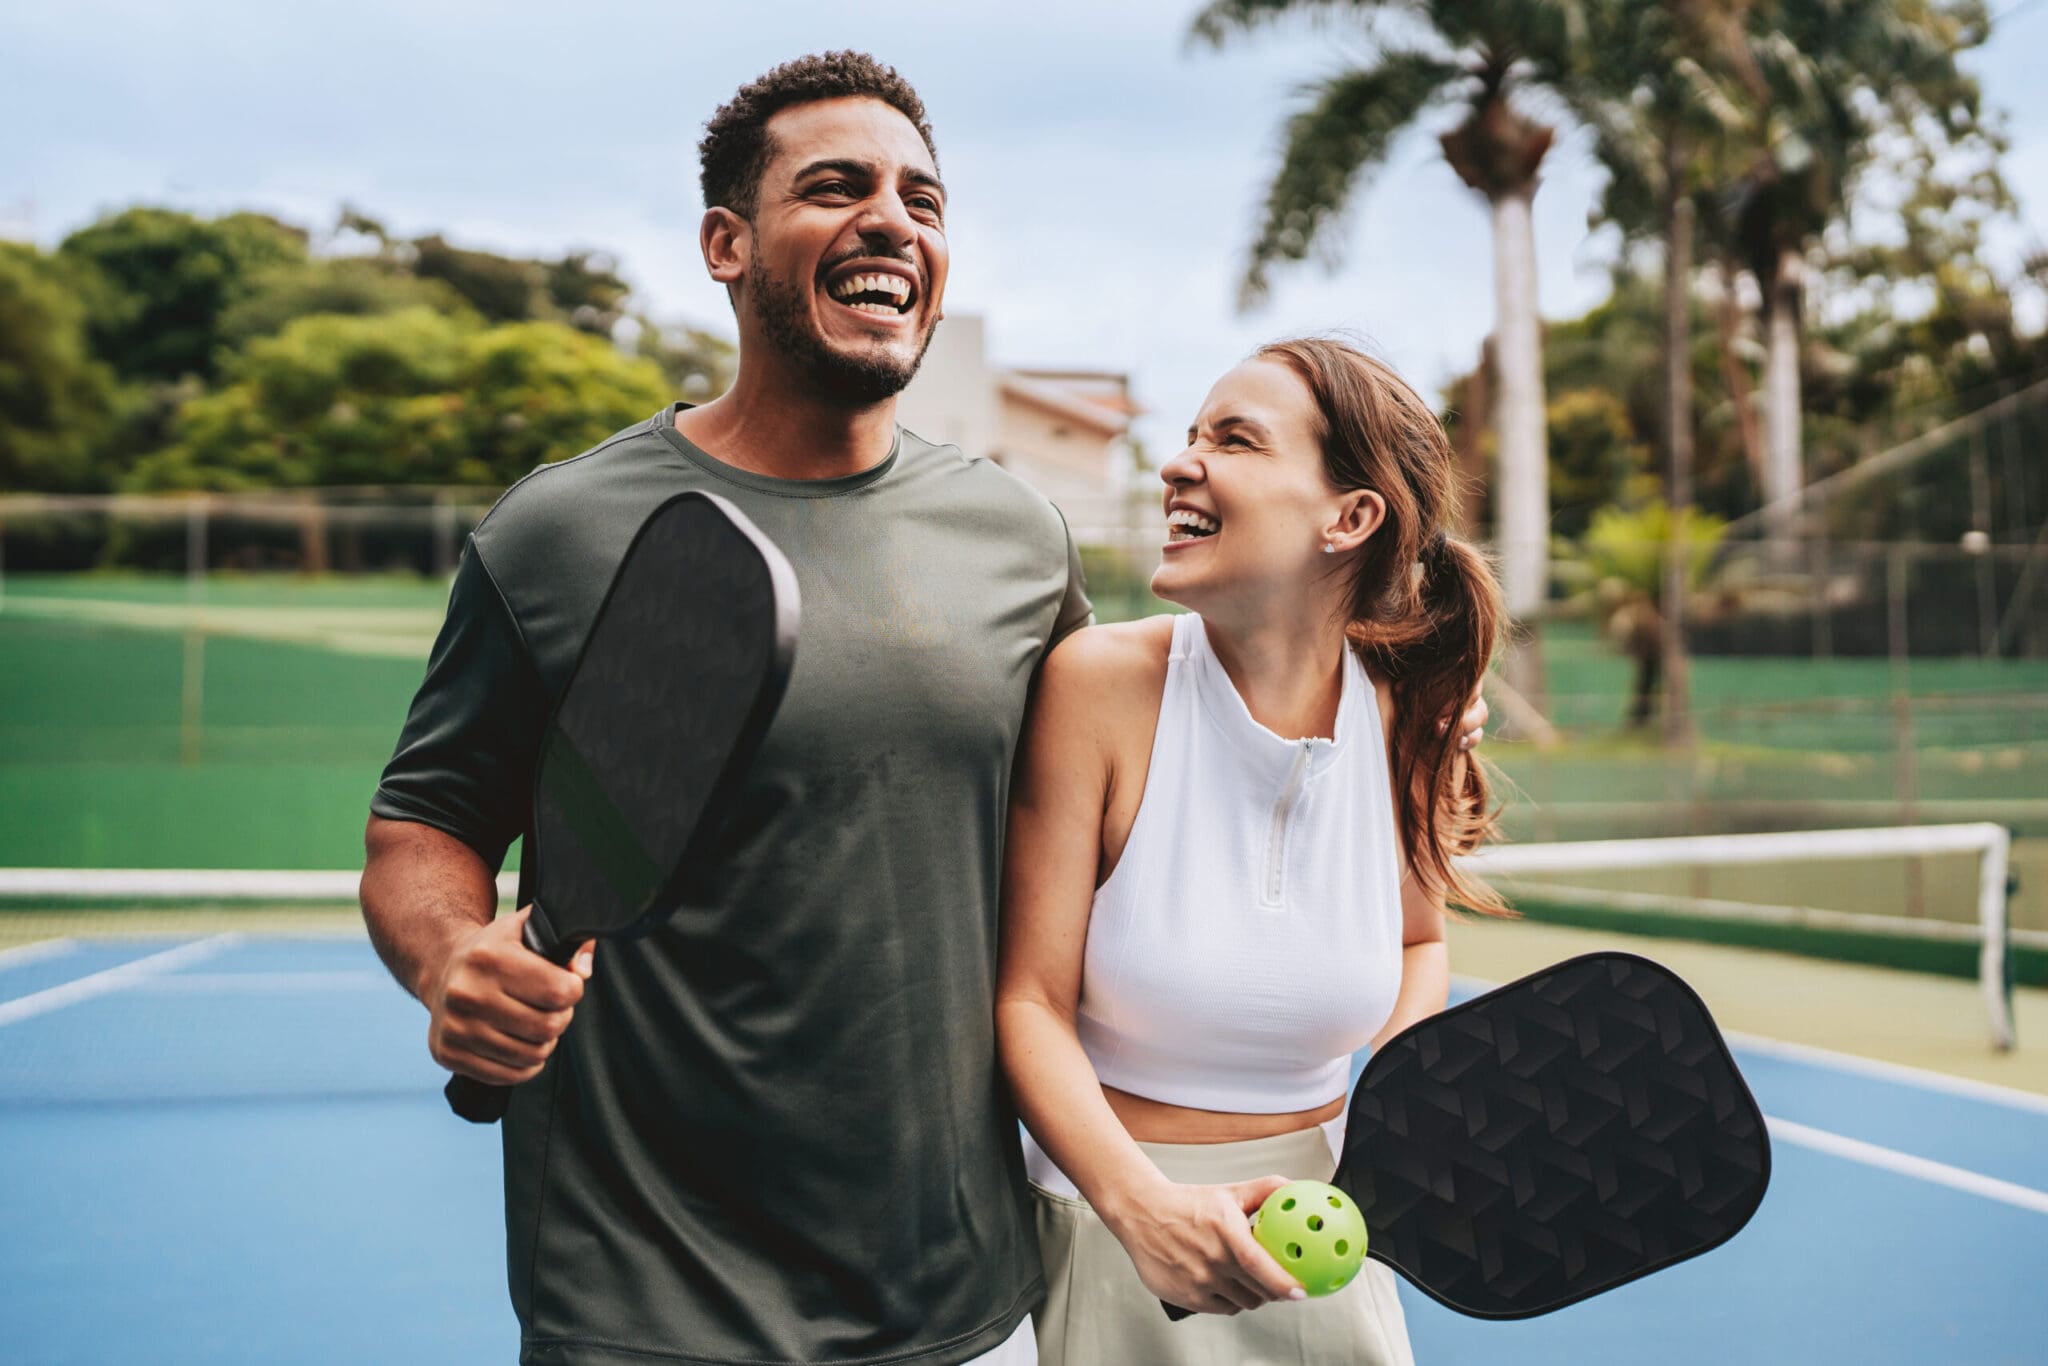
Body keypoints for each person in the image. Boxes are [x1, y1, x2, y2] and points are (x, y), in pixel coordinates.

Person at [360, 51, 1487, 1366]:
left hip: (964, 1304)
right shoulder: (557, 532)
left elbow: (1164, 777)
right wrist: (451, 958)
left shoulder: (1013, 536)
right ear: (726, 244)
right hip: (646, 1305)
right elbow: (422, 826)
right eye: (834, 188)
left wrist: (1394, 708)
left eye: (924, 199)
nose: (891, 220)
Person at [995, 336, 1512, 1365]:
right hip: (1104, 1235)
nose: (1177, 464)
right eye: (1188, 435)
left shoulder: (1413, 717)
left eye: (1231, 439)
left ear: (1348, 517)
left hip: (1330, 1242)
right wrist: (1140, 1208)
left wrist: (1391, 1112)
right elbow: (1026, 1003)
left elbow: (1417, 944)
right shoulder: (1093, 683)